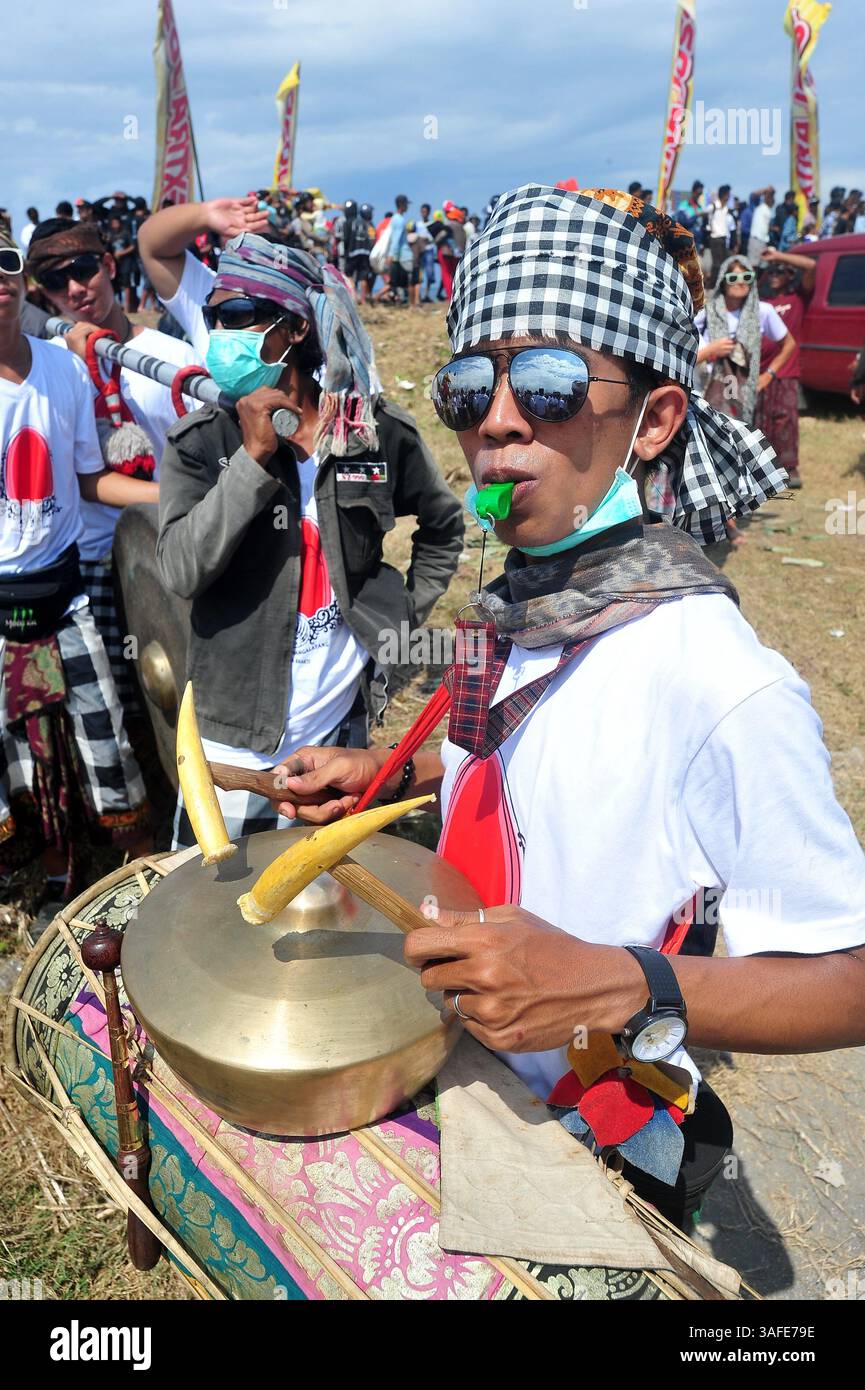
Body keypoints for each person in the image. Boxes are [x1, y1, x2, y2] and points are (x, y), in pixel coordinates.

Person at [264, 185, 865, 1231]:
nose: (496, 421)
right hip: (453, 1067)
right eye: (468, 385)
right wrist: (393, 776)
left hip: (586, 1131)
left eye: (546, 383)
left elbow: (849, 976)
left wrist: (616, 983)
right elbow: (516, 751)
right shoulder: (525, 596)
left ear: (654, 419)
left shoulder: (717, 679)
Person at [154, 233, 464, 845]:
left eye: (239, 317)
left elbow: (444, 523)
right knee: (209, 912)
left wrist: (399, 614)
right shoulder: (200, 445)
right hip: (233, 739)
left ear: (293, 329)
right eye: (215, 317)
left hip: (338, 732)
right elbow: (181, 569)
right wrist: (251, 458)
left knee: (329, 906)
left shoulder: (372, 434)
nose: (222, 334)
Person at [0, 228, 150, 922]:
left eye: (3, 262)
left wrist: (172, 496)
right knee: (24, 757)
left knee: (104, 740)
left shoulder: (63, 369)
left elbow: (91, 480)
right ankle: (52, 868)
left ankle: (135, 869)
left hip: (67, 595)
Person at [26, 216, 199, 713]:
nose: (76, 290)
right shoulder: (48, 369)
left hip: (170, 549)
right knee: (122, 708)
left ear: (108, 266)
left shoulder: (172, 358)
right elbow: (72, 476)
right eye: (57, 282)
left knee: (184, 699)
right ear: (43, 294)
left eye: (84, 270)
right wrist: (81, 367)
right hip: (92, 565)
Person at [754, 247, 817, 489]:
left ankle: (790, 467)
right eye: (771, 272)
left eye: (780, 271)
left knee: (785, 420)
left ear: (791, 276)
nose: (775, 274)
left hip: (786, 371)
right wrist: (762, 269)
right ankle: (763, 469)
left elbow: (811, 266)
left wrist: (778, 256)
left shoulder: (798, 298)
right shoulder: (762, 301)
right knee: (760, 420)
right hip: (759, 373)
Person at [385, 194, 414, 306]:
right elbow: (396, 240)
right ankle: (413, 305)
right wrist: (392, 255)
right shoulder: (399, 220)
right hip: (403, 255)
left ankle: (405, 302)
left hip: (399, 255)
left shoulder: (396, 219)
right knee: (410, 281)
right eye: (406, 204)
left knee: (398, 282)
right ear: (402, 205)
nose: (408, 206)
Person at [706, 185, 734, 286]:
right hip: (715, 237)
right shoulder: (713, 206)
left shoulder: (726, 208)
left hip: (723, 238)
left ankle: (721, 283)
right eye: (728, 194)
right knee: (717, 263)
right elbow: (705, 216)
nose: (729, 197)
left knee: (725, 262)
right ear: (724, 195)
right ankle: (713, 284)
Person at [747, 187, 775, 263]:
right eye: (769, 197)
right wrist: (766, 189)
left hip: (764, 241)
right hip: (756, 239)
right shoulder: (759, 206)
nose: (771, 199)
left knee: (763, 265)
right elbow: (753, 195)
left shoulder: (769, 211)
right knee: (753, 264)